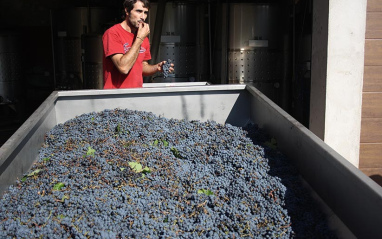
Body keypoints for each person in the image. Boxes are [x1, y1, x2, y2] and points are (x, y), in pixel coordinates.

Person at [102, 0, 174, 89]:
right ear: (127, 11)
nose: (143, 17)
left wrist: (157, 68)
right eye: (139, 11)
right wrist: (139, 39)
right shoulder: (113, 33)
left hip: (136, 94)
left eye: (145, 13)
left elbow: (142, 66)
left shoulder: (143, 37)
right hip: (116, 96)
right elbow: (123, 68)